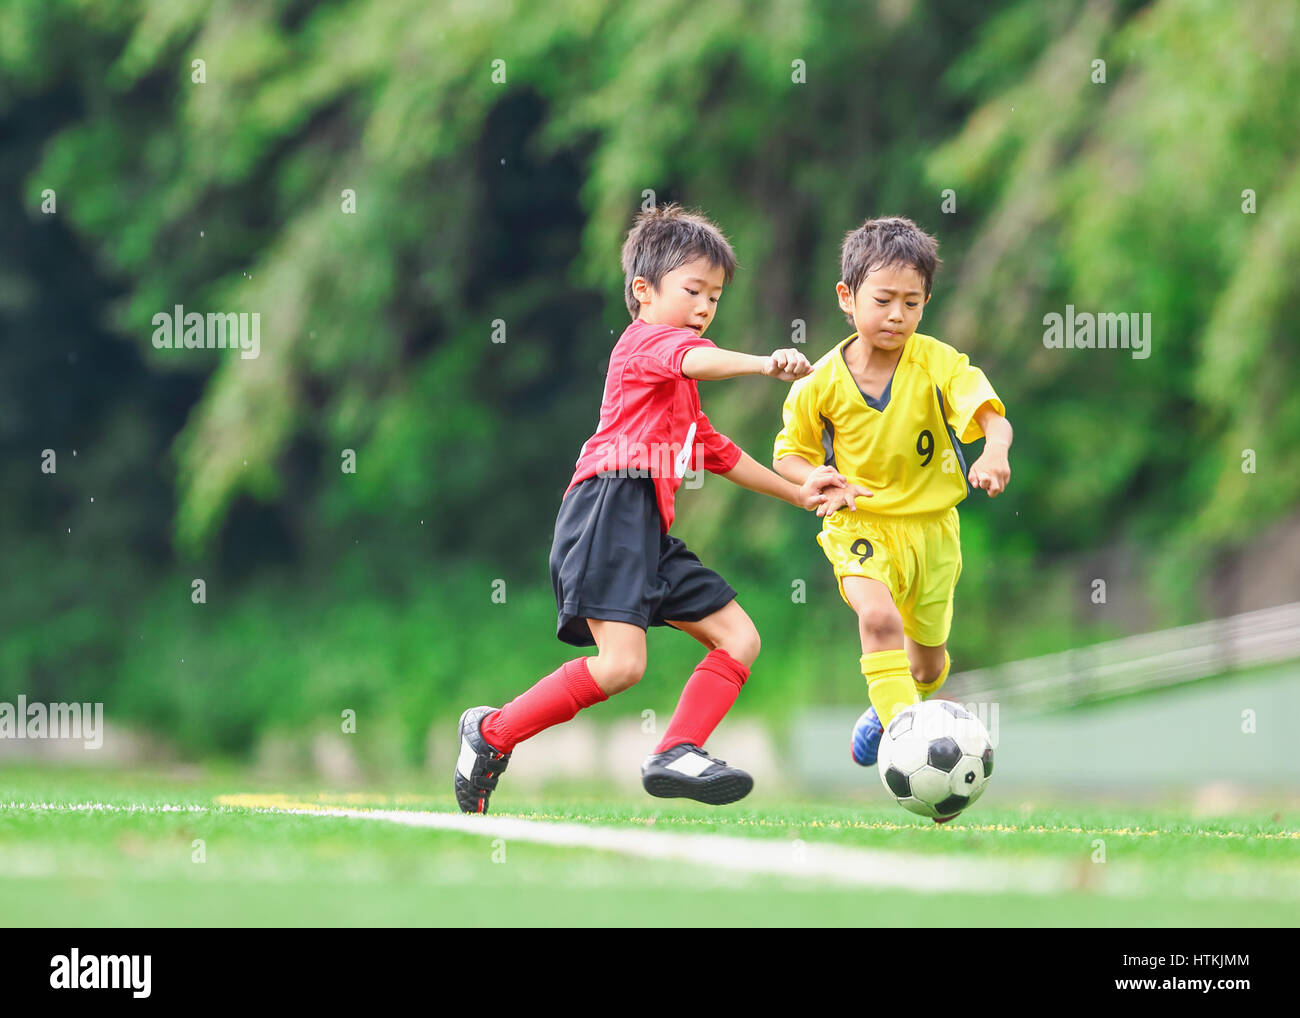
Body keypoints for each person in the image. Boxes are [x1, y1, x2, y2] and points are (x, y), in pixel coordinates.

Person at [455, 204, 847, 813]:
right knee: (621, 668)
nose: (704, 307)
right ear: (644, 291)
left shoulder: (680, 388)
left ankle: (676, 750)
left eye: (714, 297)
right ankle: (490, 735)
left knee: (739, 638)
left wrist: (798, 491)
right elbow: (695, 357)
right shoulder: (644, 346)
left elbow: (716, 451)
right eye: (694, 291)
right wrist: (764, 363)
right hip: (608, 509)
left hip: (647, 529)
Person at [772, 216, 1012, 820]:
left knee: (928, 663)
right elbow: (789, 453)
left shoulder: (937, 363)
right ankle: (910, 749)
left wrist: (994, 452)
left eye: (912, 302)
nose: (897, 315)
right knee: (877, 619)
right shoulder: (818, 385)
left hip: (933, 532)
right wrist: (811, 479)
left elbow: (992, 418)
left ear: (927, 302)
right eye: (883, 300)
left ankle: (887, 714)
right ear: (847, 298)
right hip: (859, 525)